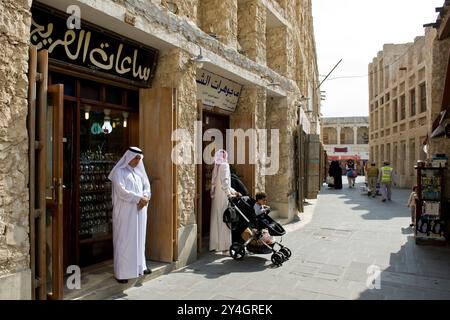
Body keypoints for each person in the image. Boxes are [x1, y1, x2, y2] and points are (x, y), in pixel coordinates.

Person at [108, 147, 151, 284]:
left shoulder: (139, 173)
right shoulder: (118, 172)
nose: (137, 161)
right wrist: (139, 199)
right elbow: (122, 192)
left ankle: (140, 267)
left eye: (139, 159)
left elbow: (147, 187)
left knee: (139, 239)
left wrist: (145, 197)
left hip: (140, 211)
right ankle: (121, 273)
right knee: (124, 241)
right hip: (125, 213)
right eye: (135, 158)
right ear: (128, 157)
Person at [210, 149, 241, 252]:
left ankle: (216, 244)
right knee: (225, 219)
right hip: (223, 197)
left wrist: (234, 191)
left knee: (217, 218)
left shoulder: (218, 167)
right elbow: (225, 182)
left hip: (218, 197)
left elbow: (223, 183)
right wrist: (230, 194)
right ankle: (224, 246)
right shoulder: (225, 165)